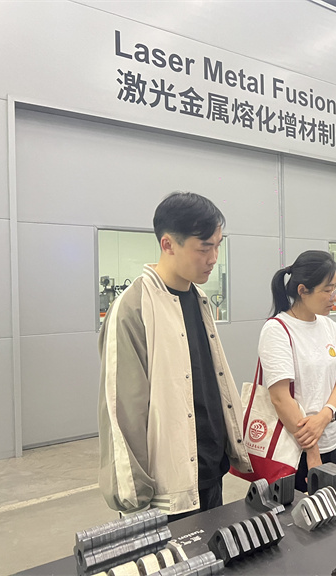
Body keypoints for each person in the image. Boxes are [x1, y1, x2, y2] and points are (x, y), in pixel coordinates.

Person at [98, 192, 252, 520]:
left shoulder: (199, 299)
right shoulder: (132, 308)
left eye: (218, 246)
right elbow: (122, 410)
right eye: (204, 248)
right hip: (165, 488)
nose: (213, 258)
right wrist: (134, 495)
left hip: (210, 470)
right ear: (168, 244)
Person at [258, 251, 336, 492]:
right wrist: (312, 451)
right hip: (294, 449)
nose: (334, 297)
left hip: (329, 438)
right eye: (327, 290)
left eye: (335, 288)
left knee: (330, 506)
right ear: (303, 290)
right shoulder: (277, 330)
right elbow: (280, 398)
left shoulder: (329, 326)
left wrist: (325, 415)